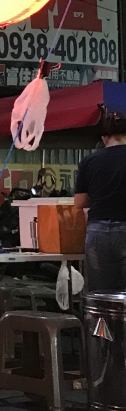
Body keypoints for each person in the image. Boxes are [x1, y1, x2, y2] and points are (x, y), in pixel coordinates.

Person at [75, 115, 126, 293]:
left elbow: (79, 202)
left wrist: (100, 195)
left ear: (104, 138)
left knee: (101, 295)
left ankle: (102, 313)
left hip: (97, 233)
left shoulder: (89, 161)